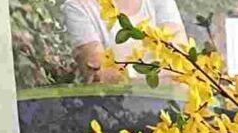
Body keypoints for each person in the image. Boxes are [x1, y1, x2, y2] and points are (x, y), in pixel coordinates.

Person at [60, 0, 189, 84]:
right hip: (113, 110)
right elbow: (100, 76)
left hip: (168, 105)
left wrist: (121, 66)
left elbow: (181, 61)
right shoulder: (77, 7)